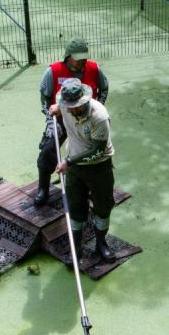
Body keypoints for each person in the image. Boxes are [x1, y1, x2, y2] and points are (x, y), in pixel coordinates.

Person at [35, 39, 109, 206]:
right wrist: (50, 120)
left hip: (87, 118)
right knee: (48, 150)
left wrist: (98, 106)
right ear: (68, 57)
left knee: (91, 153)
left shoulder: (94, 69)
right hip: (61, 118)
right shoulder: (53, 71)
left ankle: (89, 188)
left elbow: (104, 87)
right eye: (78, 58)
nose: (82, 62)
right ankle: (43, 188)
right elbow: (45, 96)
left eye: (84, 58)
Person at [51, 78, 116, 262]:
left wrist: (68, 162)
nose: (71, 110)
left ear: (84, 99)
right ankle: (76, 248)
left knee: (103, 207)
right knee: (75, 207)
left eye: (75, 106)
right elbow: (58, 107)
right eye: (67, 106)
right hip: (75, 170)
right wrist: (56, 109)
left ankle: (101, 243)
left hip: (99, 167)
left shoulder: (99, 116)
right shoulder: (65, 106)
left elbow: (98, 150)